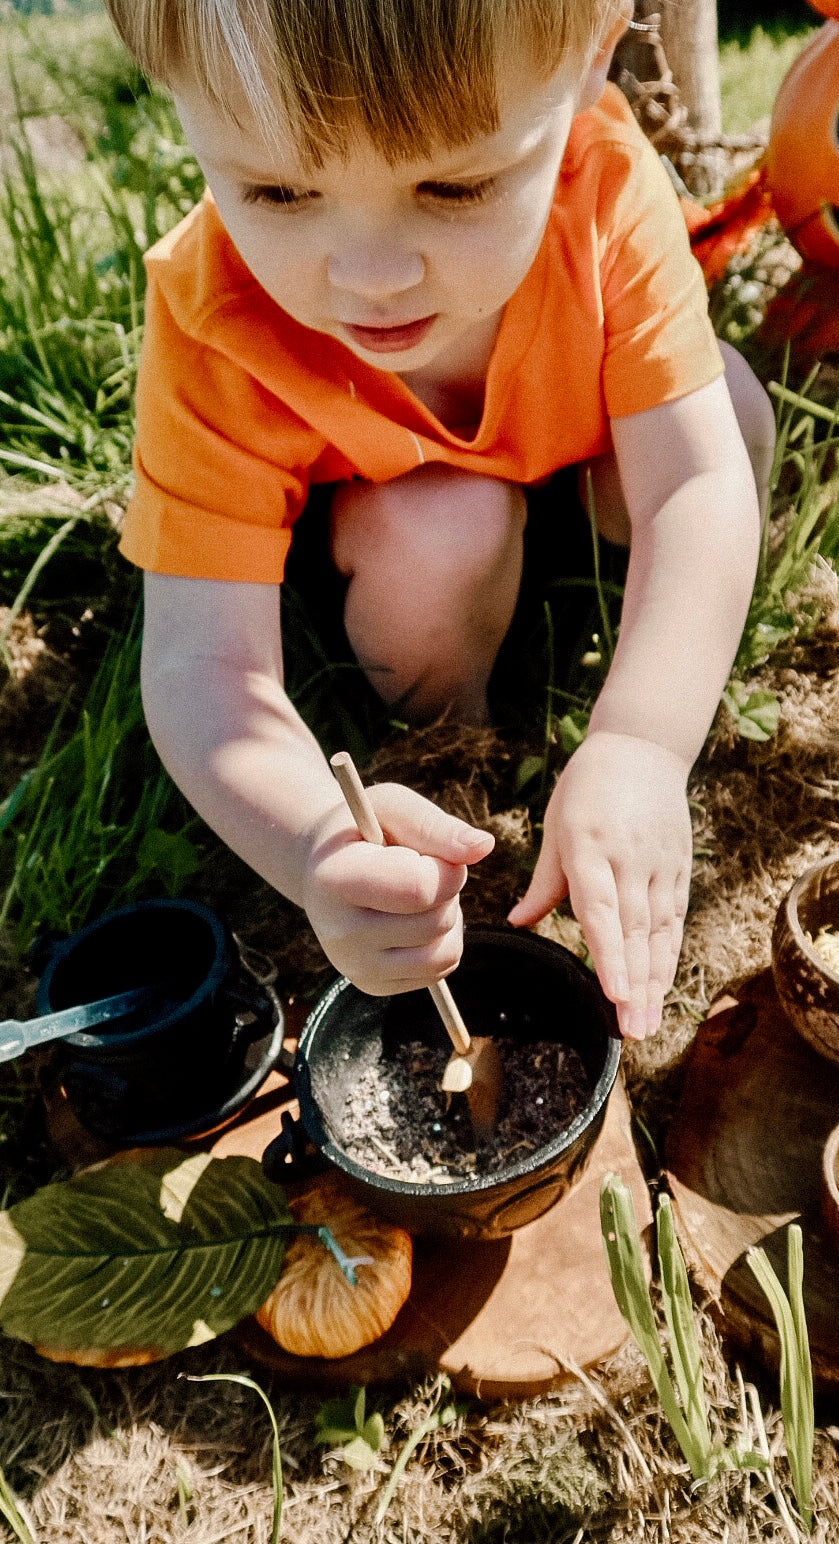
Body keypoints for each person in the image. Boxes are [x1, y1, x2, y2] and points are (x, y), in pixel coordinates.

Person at [102, 0, 772, 1042]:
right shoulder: (212, 318)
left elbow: (693, 484)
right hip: (404, 512)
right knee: (439, 539)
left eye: (455, 185)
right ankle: (451, 758)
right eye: (278, 189)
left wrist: (642, 740)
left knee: (727, 411)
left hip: (589, 458)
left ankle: (632, 613)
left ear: (594, 60)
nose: (371, 274)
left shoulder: (603, 193)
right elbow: (203, 668)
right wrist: (322, 844)